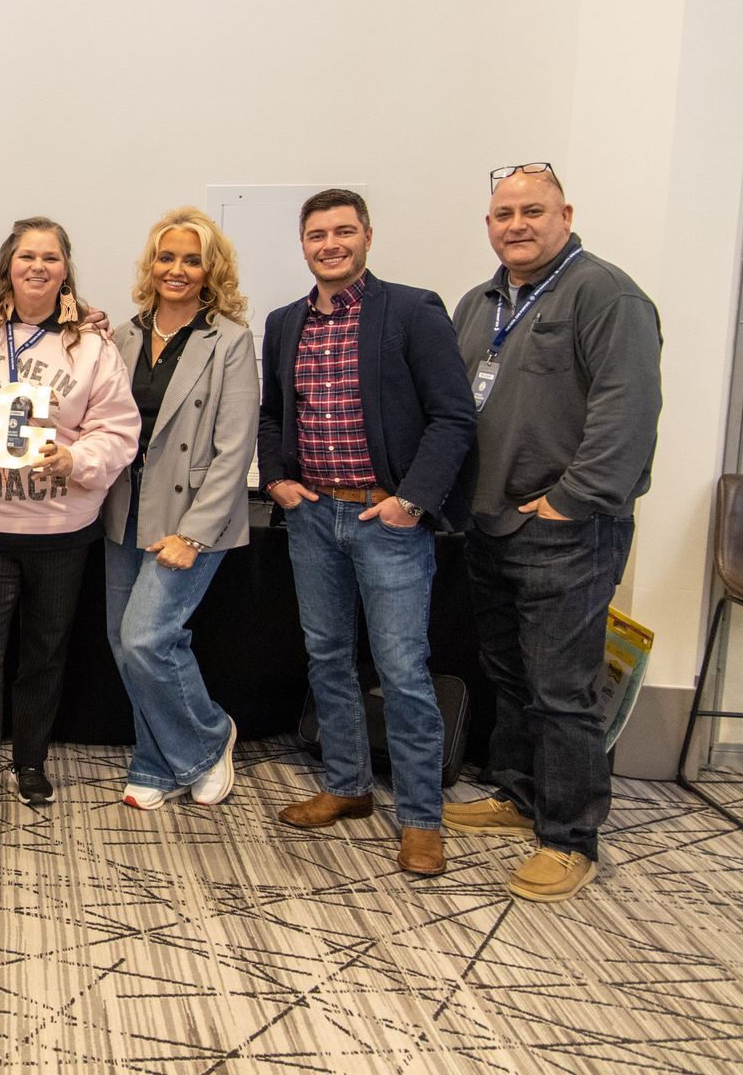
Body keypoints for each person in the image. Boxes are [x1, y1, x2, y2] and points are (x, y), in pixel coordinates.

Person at [445, 163, 661, 902]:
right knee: (510, 675)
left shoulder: (606, 295)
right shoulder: (479, 302)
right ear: (488, 224)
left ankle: (569, 838)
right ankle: (516, 793)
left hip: (564, 531)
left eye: (532, 211)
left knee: (562, 690)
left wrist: (570, 502)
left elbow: (625, 415)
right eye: (503, 213)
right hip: (490, 522)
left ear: (565, 214)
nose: (516, 224)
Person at [258, 189, 476, 877]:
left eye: (343, 232)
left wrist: (413, 501)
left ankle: (420, 819)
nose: (330, 244)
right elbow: (271, 413)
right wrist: (276, 477)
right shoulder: (284, 322)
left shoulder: (411, 311)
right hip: (313, 517)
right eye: (317, 234)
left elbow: (454, 418)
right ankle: (347, 787)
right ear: (303, 244)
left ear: (368, 237)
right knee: (326, 657)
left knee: (404, 670)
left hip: (387, 520)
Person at [0, 219, 138, 842]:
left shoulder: (91, 343)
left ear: (65, 269)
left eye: (50, 257)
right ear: (7, 264)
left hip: (60, 524)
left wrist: (75, 461)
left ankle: (29, 759)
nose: (38, 266)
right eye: (27, 255)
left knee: (45, 652)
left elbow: (119, 428)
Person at [99, 209, 256, 815]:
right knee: (123, 642)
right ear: (151, 264)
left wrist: (193, 534)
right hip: (124, 510)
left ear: (210, 270)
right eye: (167, 257)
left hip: (190, 517)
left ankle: (208, 736)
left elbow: (233, 447)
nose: (178, 269)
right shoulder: (124, 334)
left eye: (192, 259)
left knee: (147, 638)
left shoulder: (230, 340)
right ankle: (153, 761)